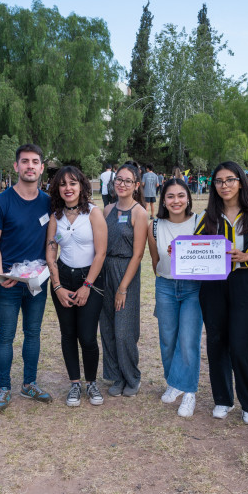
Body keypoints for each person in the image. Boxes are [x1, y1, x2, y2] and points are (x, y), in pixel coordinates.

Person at [195, 161, 248, 423]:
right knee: (216, 342)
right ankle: (222, 399)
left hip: (244, 281)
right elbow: (195, 249)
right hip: (212, 285)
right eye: (218, 181)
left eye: (229, 179)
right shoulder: (207, 217)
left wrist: (247, 255)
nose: (224, 185)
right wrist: (179, 254)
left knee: (240, 345)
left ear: (241, 181)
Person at [0, 144, 54, 411]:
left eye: (35, 162)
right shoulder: (2, 202)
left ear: (41, 168)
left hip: (37, 282)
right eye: (24, 161)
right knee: (5, 335)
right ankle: (4, 388)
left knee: (33, 333)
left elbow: (53, 241)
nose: (29, 166)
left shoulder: (49, 202)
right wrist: (0, 275)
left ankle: (29, 384)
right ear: (16, 166)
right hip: (9, 283)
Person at [45, 166, 108, 407]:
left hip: (89, 279)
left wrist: (87, 285)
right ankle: (75, 383)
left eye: (73, 183)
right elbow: (51, 253)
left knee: (88, 336)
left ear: (81, 186)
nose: (68, 188)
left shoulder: (93, 213)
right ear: (57, 189)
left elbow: (101, 253)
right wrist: (58, 286)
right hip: (63, 278)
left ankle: (91, 382)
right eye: (63, 184)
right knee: (68, 334)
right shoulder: (55, 216)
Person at [147, 178, 203, 417]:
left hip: (194, 287)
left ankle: (189, 391)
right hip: (165, 286)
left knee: (188, 339)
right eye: (170, 196)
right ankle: (173, 382)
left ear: (188, 198)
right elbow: (154, 260)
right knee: (168, 339)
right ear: (163, 200)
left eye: (181, 195)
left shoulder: (200, 222)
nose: (176, 201)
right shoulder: (155, 226)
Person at [101, 163, 149, 397]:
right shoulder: (107, 210)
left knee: (124, 330)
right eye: (118, 179)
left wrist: (122, 287)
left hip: (125, 271)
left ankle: (132, 376)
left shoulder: (139, 213)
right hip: (105, 270)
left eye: (127, 181)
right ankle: (116, 376)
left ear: (136, 185)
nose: (121, 184)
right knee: (107, 327)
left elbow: (139, 254)